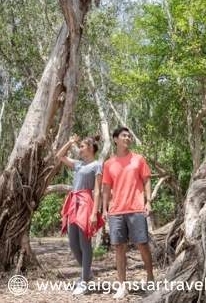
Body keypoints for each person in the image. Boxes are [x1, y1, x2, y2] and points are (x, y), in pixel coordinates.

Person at [102, 126, 154, 300]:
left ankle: (150, 279)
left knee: (142, 244)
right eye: (124, 135)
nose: (128, 138)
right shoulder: (109, 163)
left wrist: (148, 201)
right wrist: (104, 209)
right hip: (116, 211)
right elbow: (106, 188)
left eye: (129, 136)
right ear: (115, 139)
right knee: (119, 248)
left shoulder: (138, 159)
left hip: (136, 208)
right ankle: (122, 285)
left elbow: (146, 180)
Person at [56, 134, 105, 295]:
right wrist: (70, 142)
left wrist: (94, 213)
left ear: (90, 148)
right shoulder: (78, 164)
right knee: (73, 244)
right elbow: (59, 156)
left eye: (82, 146)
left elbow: (97, 190)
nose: (80, 149)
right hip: (73, 203)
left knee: (85, 243)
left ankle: (84, 281)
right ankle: (88, 274)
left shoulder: (97, 165)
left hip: (86, 203)